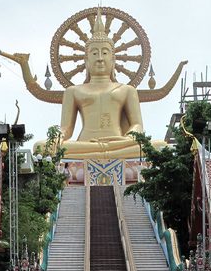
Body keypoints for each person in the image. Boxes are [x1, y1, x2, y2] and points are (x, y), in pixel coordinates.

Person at [27, 9, 164, 160]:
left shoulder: (127, 90)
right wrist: (57, 137)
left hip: (118, 142)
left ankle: (105, 152)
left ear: (113, 59)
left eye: (105, 53)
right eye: (94, 53)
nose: (99, 58)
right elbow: (66, 129)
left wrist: (131, 136)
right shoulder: (73, 91)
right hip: (85, 144)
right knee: (40, 147)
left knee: (161, 146)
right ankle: (106, 152)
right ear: (86, 60)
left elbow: (137, 125)